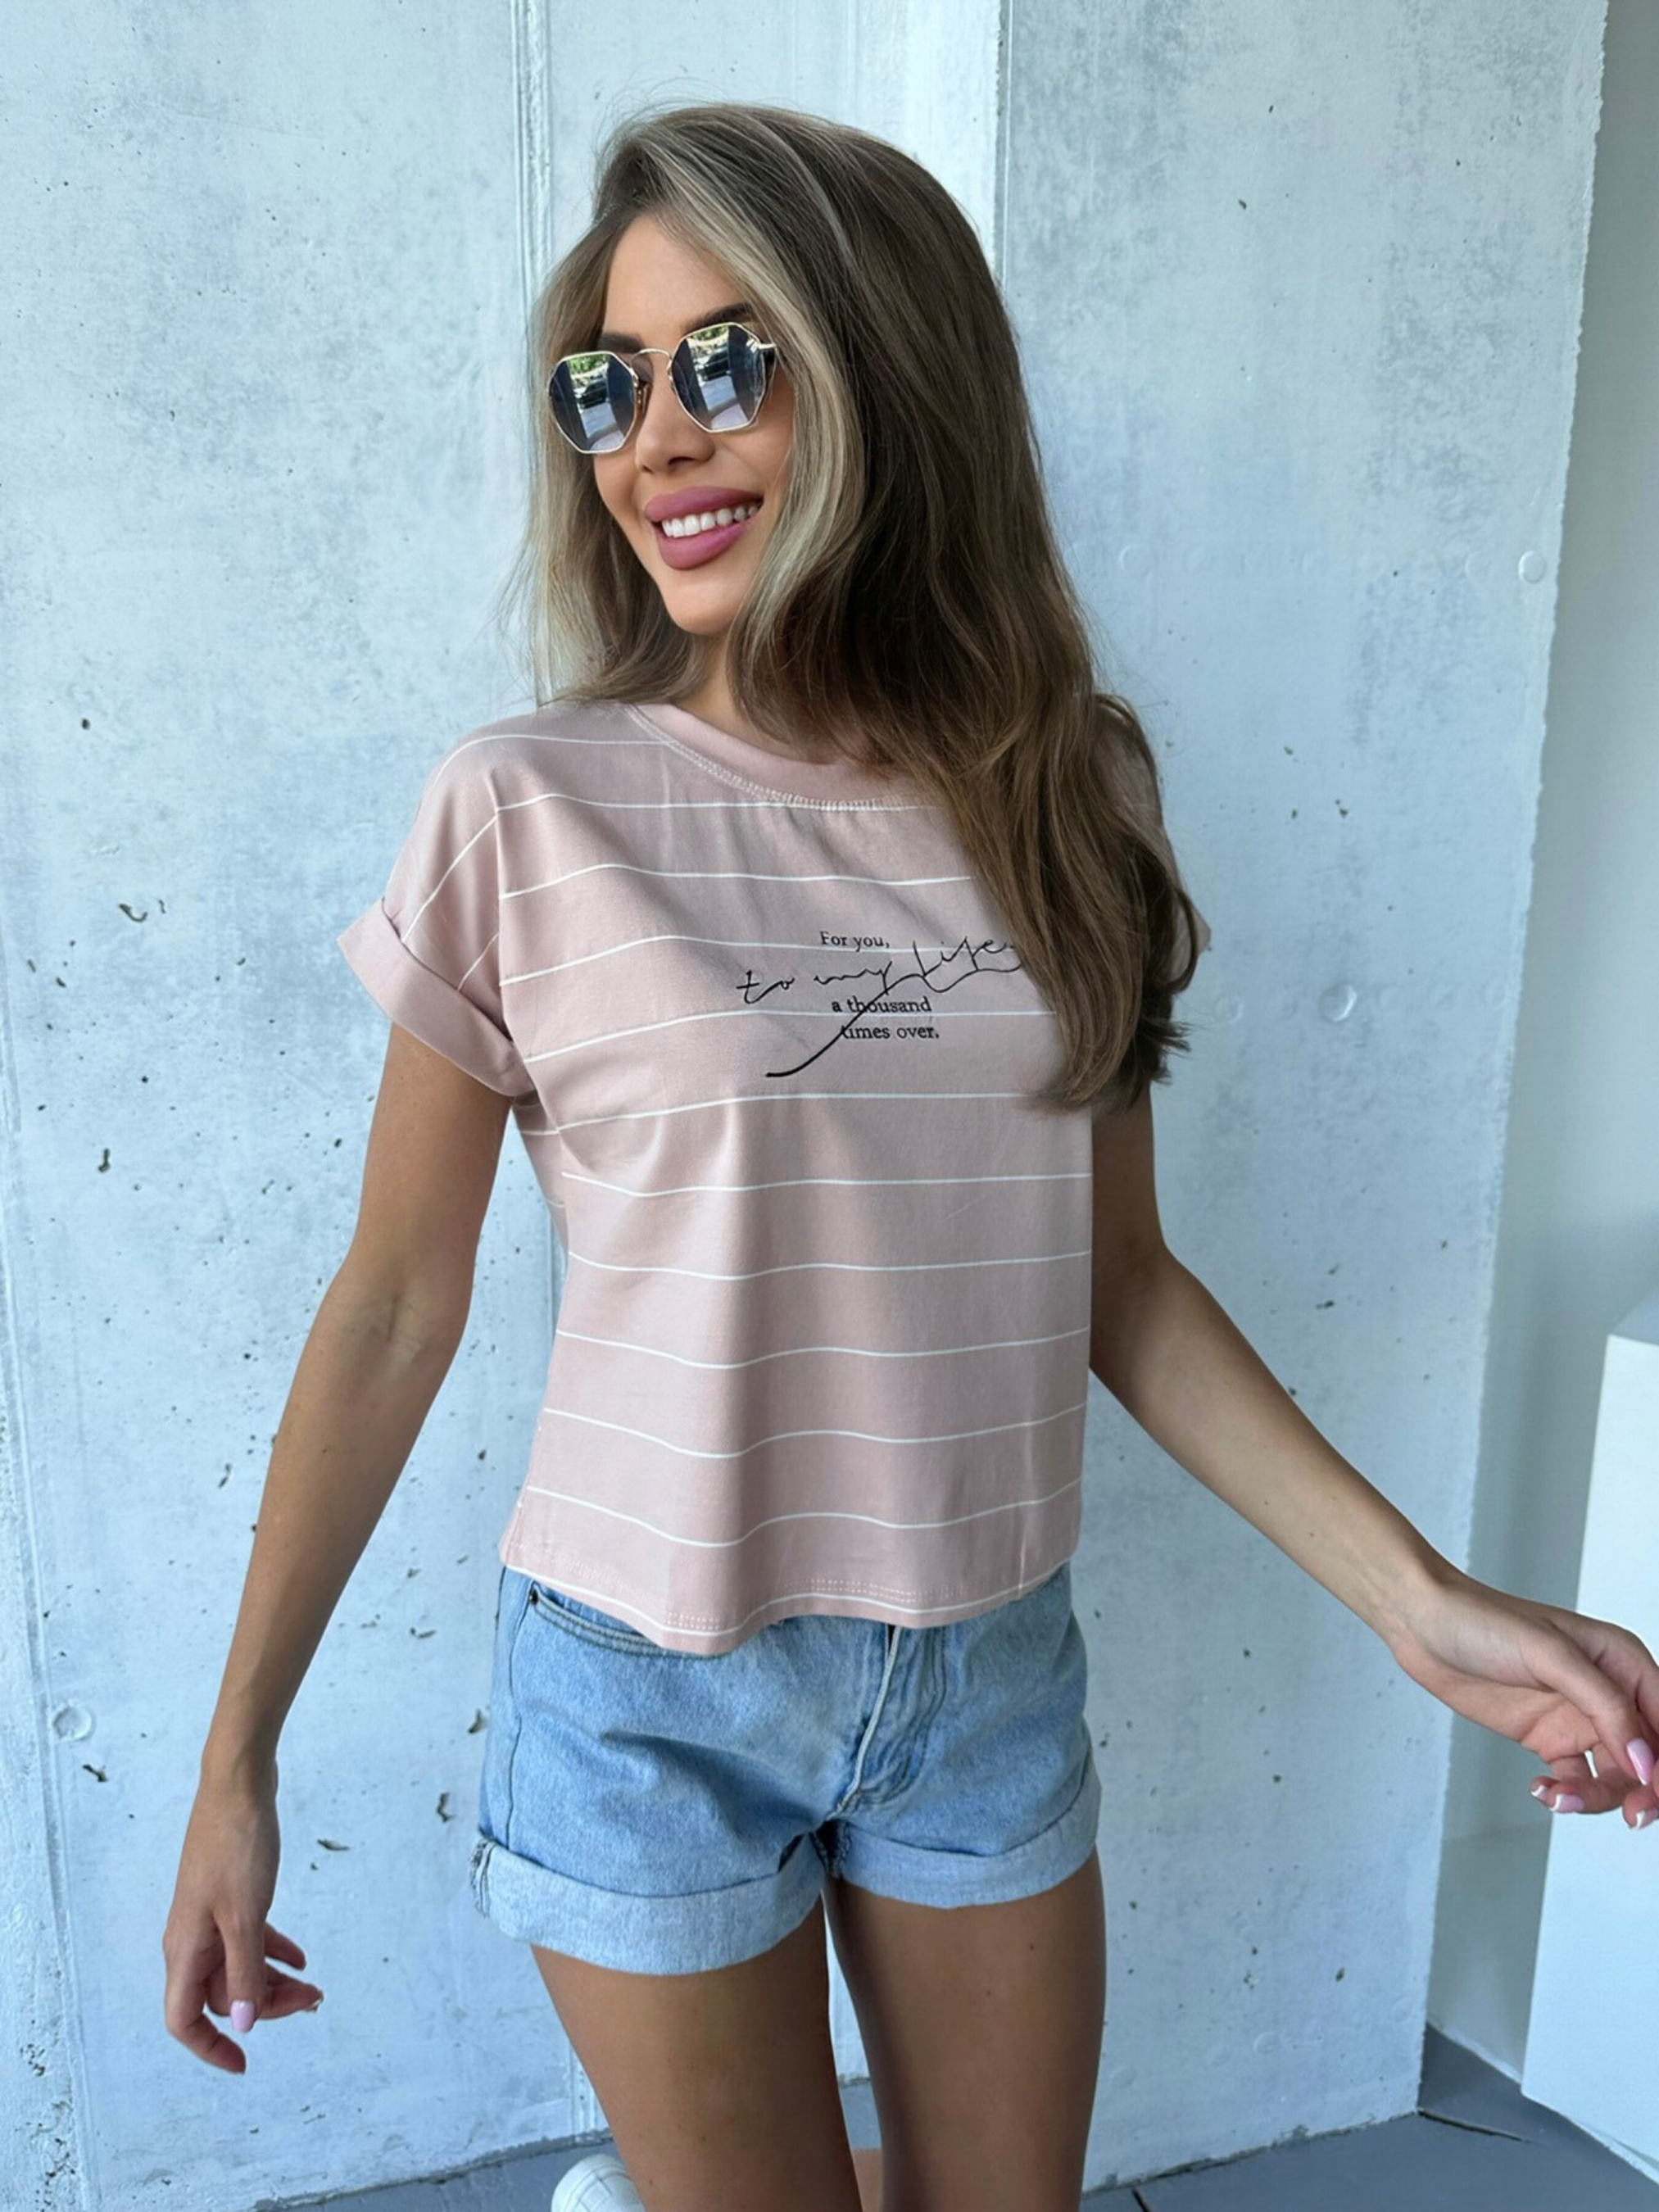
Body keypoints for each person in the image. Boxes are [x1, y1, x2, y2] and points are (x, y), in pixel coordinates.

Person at [163, 98, 1658, 2212]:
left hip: (986, 1668)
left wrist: (1422, 1606)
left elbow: (1117, 1282)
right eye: (607, 384)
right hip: (646, 1689)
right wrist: (237, 1760)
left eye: (727, 362)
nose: (654, 441)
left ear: (889, 377)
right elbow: (397, 1303)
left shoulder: (1072, 795)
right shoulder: (525, 807)